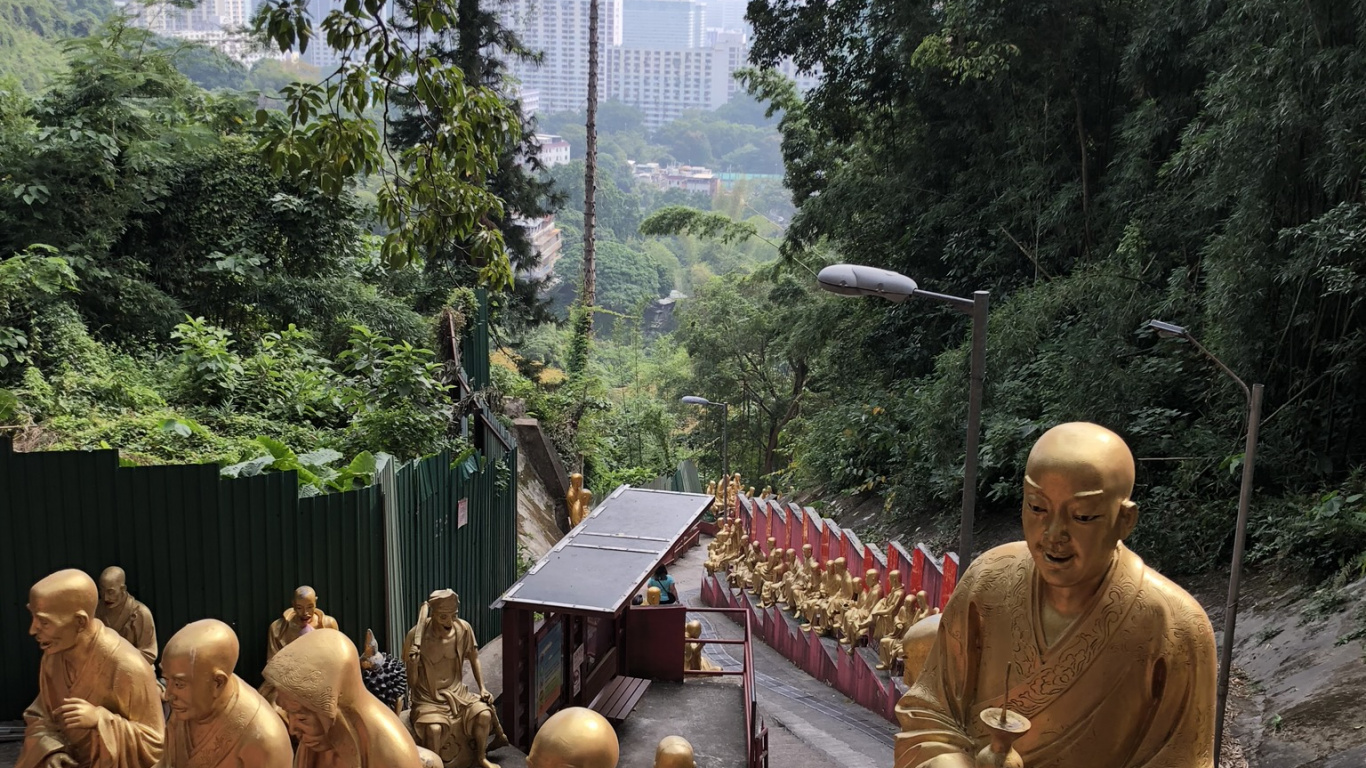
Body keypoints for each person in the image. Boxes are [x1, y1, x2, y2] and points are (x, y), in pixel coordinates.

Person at [893, 422, 1217, 768]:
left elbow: (1185, 759)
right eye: (1037, 508)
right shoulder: (989, 580)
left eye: (1082, 516)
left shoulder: (1174, 626)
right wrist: (946, 760)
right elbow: (929, 708)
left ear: (1125, 519)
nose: (1053, 533)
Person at [17, 569, 164, 768]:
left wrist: (100, 720)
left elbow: (155, 745)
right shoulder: (53, 657)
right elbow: (41, 717)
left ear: (80, 622)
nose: (32, 630)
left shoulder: (128, 667)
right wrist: (52, 750)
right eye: (33, 618)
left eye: (44, 622)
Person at [262, 629, 422, 768]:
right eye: (289, 714)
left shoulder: (392, 756)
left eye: (302, 718)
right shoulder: (315, 744)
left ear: (335, 705)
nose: (292, 729)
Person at [156, 619, 292, 768]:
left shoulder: (264, 739)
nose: (168, 695)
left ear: (218, 683)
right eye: (166, 680)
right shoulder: (187, 708)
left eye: (179, 684)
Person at [402, 590, 509, 768]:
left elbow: (474, 658)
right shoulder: (416, 637)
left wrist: (482, 688)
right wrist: (413, 665)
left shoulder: (463, 629)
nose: (449, 622)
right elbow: (412, 684)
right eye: (443, 617)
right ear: (433, 614)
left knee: (483, 714)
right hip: (428, 699)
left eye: (454, 615)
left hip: (458, 693)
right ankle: (435, 765)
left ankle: (481, 757)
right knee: (434, 729)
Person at [95, 567, 158, 666]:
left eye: (111, 592)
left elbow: (149, 654)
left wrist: (118, 659)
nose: (106, 597)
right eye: (102, 591)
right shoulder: (96, 610)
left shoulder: (140, 613)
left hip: (135, 670)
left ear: (123, 589)